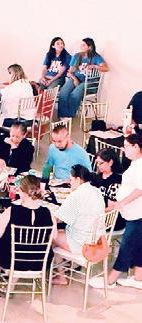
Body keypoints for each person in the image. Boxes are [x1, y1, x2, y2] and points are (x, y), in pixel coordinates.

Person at [90, 134, 142, 290]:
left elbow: (140, 189)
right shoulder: (135, 163)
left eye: (126, 146)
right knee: (138, 246)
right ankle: (139, 277)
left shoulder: (140, 166)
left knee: (126, 247)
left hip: (137, 213)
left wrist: (122, 202)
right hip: (133, 213)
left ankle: (110, 280)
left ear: (136, 147)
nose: (123, 149)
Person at [0, 175, 55, 287]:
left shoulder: (12, 211)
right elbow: (54, 237)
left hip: (13, 261)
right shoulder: (47, 212)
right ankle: (11, 286)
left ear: (23, 192)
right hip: (39, 262)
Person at [51, 165, 105, 285]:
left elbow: (59, 218)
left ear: (78, 179)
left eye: (71, 179)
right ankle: (65, 268)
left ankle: (61, 275)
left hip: (83, 244)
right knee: (60, 232)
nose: (69, 182)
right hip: (97, 240)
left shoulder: (77, 195)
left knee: (51, 235)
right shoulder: (95, 191)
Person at [58, 38, 109, 118]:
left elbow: (106, 68)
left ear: (90, 47)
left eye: (83, 45)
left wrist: (95, 66)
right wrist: (74, 79)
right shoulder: (77, 56)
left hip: (88, 82)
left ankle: (69, 116)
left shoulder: (96, 57)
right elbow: (70, 71)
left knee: (74, 94)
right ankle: (63, 116)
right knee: (63, 92)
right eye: (81, 45)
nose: (81, 46)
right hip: (75, 78)